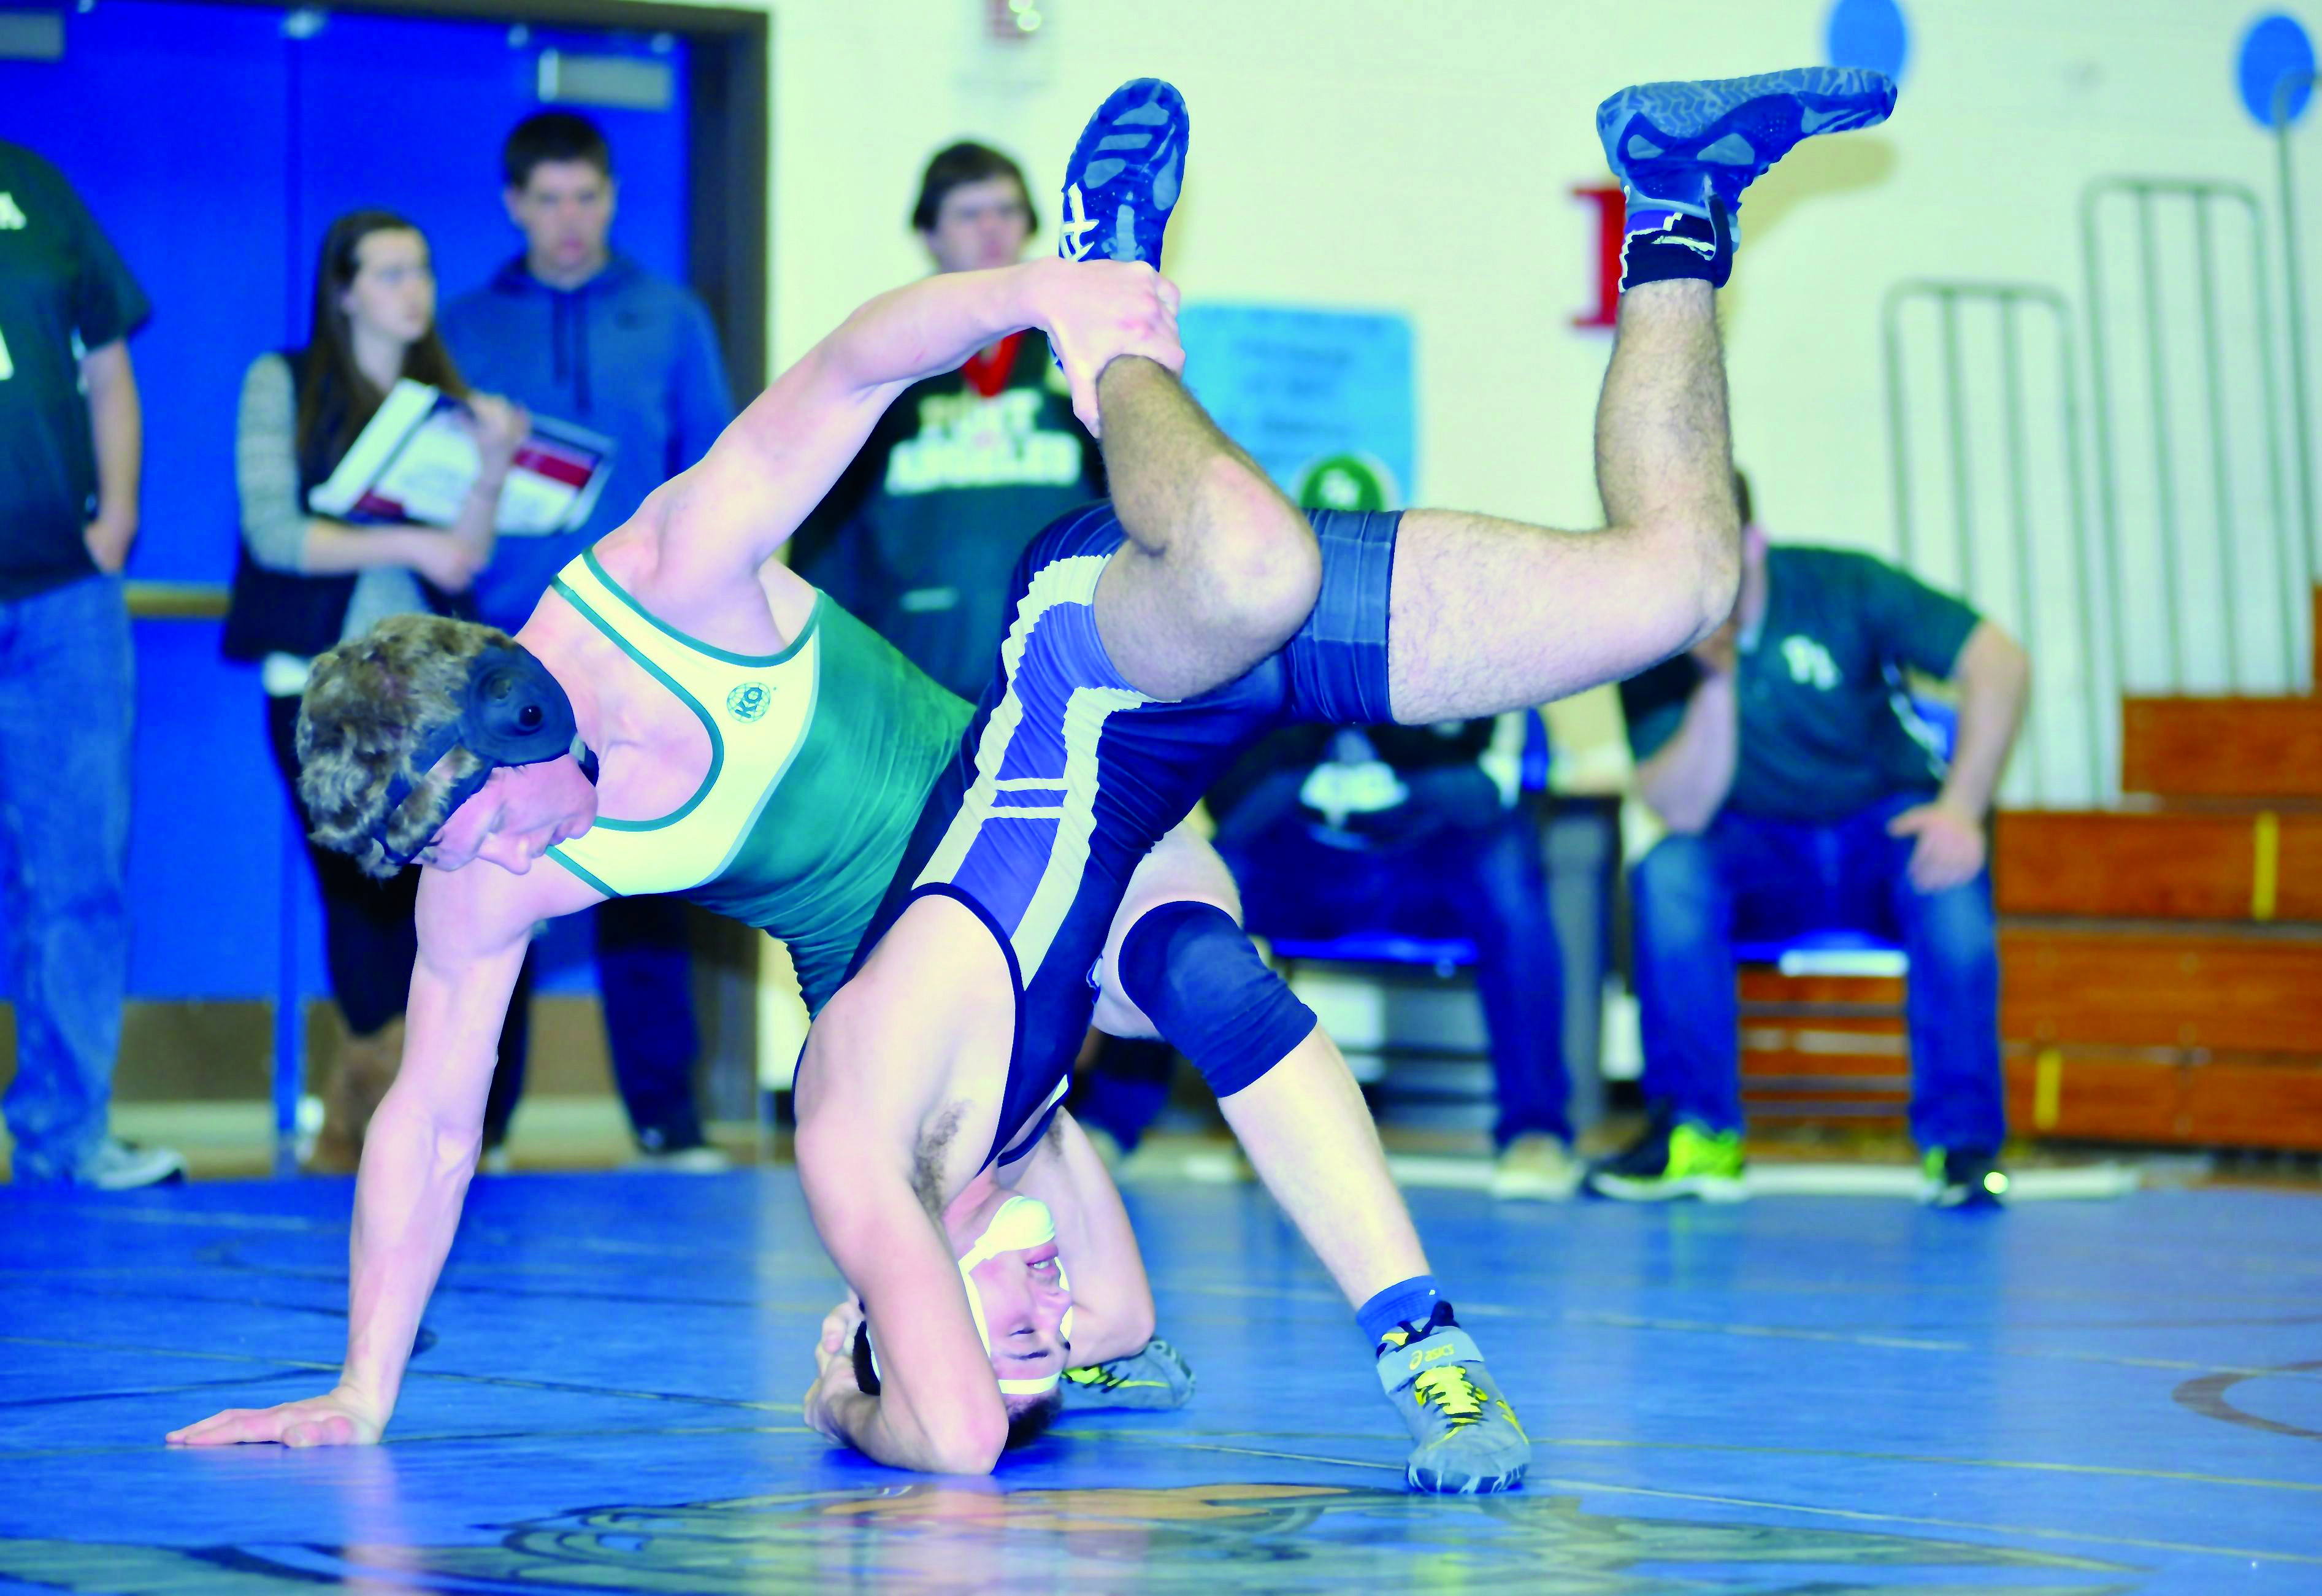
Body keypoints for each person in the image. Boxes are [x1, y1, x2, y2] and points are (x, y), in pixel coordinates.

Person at [166, 67, 1895, 1490]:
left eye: (474, 830)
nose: (490, 879)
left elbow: (851, 365)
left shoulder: (665, 579)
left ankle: (1111, 287)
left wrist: (1043, 296)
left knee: (1256, 620)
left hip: (1048, 733)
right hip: (958, 925)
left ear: (527, 723)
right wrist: (363, 1394)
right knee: (1677, 584)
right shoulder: (496, 875)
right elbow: (428, 1118)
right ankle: (1677, 205)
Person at [1592, 470, 2030, 1208]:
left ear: (1753, 542)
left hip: (1880, 829)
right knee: (1667, 872)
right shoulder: (1650, 633)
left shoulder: (1845, 584)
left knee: (1950, 883)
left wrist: (1961, 806)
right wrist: (1715, 682)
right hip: (1754, 849)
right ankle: (1701, 1134)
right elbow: (1683, 810)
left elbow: (2000, 663)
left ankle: (1963, 1145)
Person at [440, 112, 737, 1170]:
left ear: (611, 198)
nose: (570, 221)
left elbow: (718, 474)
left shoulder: (670, 315)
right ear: (515, 204)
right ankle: (485, 1128)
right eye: (548, 200)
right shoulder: (463, 323)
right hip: (501, 647)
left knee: (648, 873)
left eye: (588, 198)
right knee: (493, 874)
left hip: (645, 641)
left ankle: (669, 1122)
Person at [222, 209, 528, 1173]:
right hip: (318, 679)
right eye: (389, 272)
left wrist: (489, 468)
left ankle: (458, 1113)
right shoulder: (285, 383)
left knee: (453, 887)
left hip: (430, 683)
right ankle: (367, 1105)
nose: (412, 288)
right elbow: (276, 533)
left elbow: (466, 553)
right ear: (343, 288)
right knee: (356, 892)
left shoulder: (450, 400)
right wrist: (405, 541)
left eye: (422, 269)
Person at [0, 140, 180, 1189]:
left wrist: (117, 523)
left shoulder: (34, 186)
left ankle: (65, 1137)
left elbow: (107, 367)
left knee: (78, 876)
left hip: (64, 602)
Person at [1206, 716, 1579, 1199]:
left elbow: (1486, 800)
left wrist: (1382, 718)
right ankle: (1118, 1116)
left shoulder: (1463, 650)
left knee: (1509, 864)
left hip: (1428, 869)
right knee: (1195, 875)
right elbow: (1231, 815)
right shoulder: (1263, 657)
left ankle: (1536, 1129)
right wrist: (1317, 718)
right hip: (1304, 869)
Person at [791, 139, 1104, 704]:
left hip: (1061, 683)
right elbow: (823, 534)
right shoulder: (882, 366)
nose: (992, 229)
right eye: (969, 213)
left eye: (1007, 211)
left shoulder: (1080, 359)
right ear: (930, 235)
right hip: (909, 685)